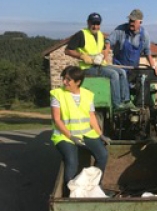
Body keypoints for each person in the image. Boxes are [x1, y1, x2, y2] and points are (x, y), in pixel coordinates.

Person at [50, 65, 109, 195]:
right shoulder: (57, 95)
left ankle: (95, 186)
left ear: (78, 82)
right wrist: (71, 137)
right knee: (72, 161)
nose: (64, 82)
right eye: (64, 79)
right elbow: (57, 120)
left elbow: (92, 117)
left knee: (103, 155)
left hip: (86, 134)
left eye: (68, 80)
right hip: (64, 136)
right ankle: (69, 194)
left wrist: (101, 134)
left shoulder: (87, 95)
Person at [65, 12, 135, 110]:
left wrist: (103, 54)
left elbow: (103, 50)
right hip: (87, 68)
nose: (95, 26)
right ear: (88, 23)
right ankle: (117, 104)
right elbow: (68, 50)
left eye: (97, 24)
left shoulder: (100, 35)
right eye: (93, 23)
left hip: (100, 65)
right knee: (113, 74)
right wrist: (81, 56)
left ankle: (126, 101)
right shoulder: (81, 34)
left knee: (122, 72)